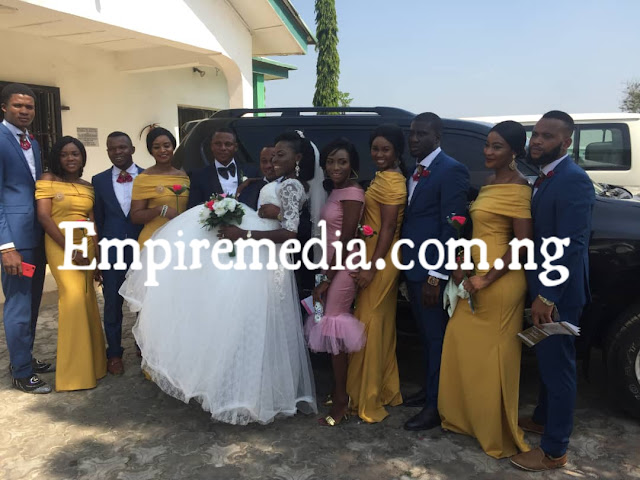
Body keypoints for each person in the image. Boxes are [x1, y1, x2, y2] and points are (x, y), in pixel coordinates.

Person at [119, 130, 317, 425]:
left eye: (281, 154)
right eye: (273, 154)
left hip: (267, 257)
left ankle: (257, 394)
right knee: (254, 323)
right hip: (257, 255)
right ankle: (248, 390)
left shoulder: (290, 185)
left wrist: (243, 233)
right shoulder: (277, 182)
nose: (274, 159)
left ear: (298, 158)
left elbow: (290, 232)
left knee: (263, 323)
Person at [438, 121, 533, 458]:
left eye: (497, 146)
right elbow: (477, 232)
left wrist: (486, 279)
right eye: (487, 144)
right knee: (460, 342)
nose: (488, 151)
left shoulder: (519, 188)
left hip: (500, 281)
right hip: (473, 275)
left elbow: (522, 244)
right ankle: (467, 419)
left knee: (494, 357)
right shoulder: (491, 183)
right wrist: (461, 261)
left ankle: (494, 429)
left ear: (514, 152)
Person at [511, 111, 595, 472]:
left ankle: (554, 451)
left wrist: (547, 295)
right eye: (536, 134)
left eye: (547, 136)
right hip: (545, 287)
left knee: (558, 369)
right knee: (547, 363)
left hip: (558, 294)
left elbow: (572, 244)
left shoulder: (573, 180)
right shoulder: (548, 177)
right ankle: (543, 419)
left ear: (567, 142)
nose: (537, 141)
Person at [401, 112, 470, 431]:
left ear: (437, 137)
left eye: (422, 134)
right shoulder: (413, 170)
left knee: (436, 338)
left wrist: (436, 275)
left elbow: (453, 226)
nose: (414, 139)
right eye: (412, 133)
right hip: (412, 266)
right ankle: (429, 391)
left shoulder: (451, 170)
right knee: (426, 338)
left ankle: (435, 407)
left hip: (431, 271)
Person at [346, 124, 407, 423]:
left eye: (386, 149)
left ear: (397, 152)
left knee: (369, 322)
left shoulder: (392, 181)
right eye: (375, 149)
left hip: (381, 258)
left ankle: (367, 396)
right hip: (375, 253)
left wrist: (372, 267)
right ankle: (383, 388)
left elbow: (389, 228)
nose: (379, 154)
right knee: (378, 323)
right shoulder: (384, 176)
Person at [35, 136, 107, 391]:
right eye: (64, 154)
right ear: (57, 157)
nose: (70, 158)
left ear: (82, 157)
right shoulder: (48, 179)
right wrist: (71, 250)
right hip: (60, 245)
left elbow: (92, 222)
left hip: (87, 246)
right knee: (73, 299)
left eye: (75, 154)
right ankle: (74, 375)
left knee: (88, 300)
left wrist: (97, 258)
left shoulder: (87, 186)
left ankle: (95, 366)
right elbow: (44, 217)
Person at [304, 138, 366, 426]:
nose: (335, 167)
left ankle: (342, 399)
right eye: (330, 161)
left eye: (342, 161)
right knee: (322, 321)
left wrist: (327, 279)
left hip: (342, 267)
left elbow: (347, 239)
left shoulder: (352, 193)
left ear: (352, 164)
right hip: (328, 264)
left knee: (332, 325)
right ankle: (336, 390)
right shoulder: (336, 190)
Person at [0, 83, 52, 394]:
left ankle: (25, 359)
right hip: (15, 243)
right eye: (18, 105)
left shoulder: (31, 141)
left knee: (32, 304)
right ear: (4, 107)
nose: (24, 111)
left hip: (36, 236)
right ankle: (21, 373)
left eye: (29, 107)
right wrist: (6, 246)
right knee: (18, 306)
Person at [92, 131, 144, 375]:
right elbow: (98, 221)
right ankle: (114, 353)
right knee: (112, 304)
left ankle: (144, 347)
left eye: (122, 147)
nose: (118, 152)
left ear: (132, 149)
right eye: (112, 148)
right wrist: (99, 257)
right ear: (107, 152)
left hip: (142, 250)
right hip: (112, 252)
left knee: (144, 303)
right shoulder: (99, 180)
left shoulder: (147, 176)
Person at [130, 127, 190, 247]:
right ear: (151, 151)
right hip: (153, 241)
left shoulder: (184, 177)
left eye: (167, 146)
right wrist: (160, 210)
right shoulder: (144, 179)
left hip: (180, 239)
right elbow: (135, 217)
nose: (162, 150)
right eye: (156, 147)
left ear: (173, 147)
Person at [187, 128, 258, 207]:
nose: (223, 148)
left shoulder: (252, 172)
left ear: (236, 147)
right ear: (211, 146)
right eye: (218, 144)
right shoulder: (199, 176)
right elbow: (193, 207)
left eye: (228, 144)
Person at [237, 145, 277, 210]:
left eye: (272, 161)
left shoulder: (289, 186)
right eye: (264, 161)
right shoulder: (248, 187)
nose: (268, 165)